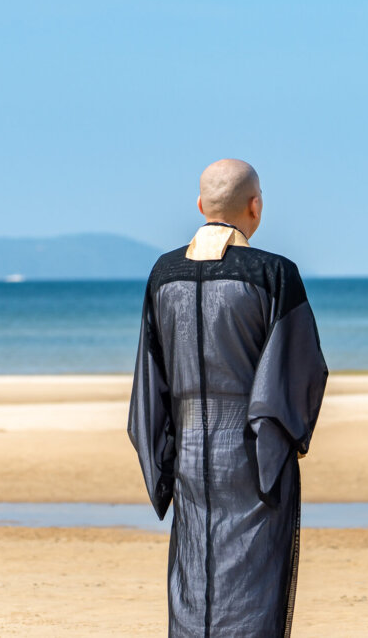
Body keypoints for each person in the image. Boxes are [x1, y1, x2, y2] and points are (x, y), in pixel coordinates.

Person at [128, 158, 328, 637]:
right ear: (255, 206)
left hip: (191, 457)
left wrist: (164, 461)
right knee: (255, 580)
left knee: (194, 577)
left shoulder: (164, 274)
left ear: (200, 206)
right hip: (252, 453)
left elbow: (149, 379)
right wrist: (280, 442)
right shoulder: (273, 274)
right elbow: (299, 369)